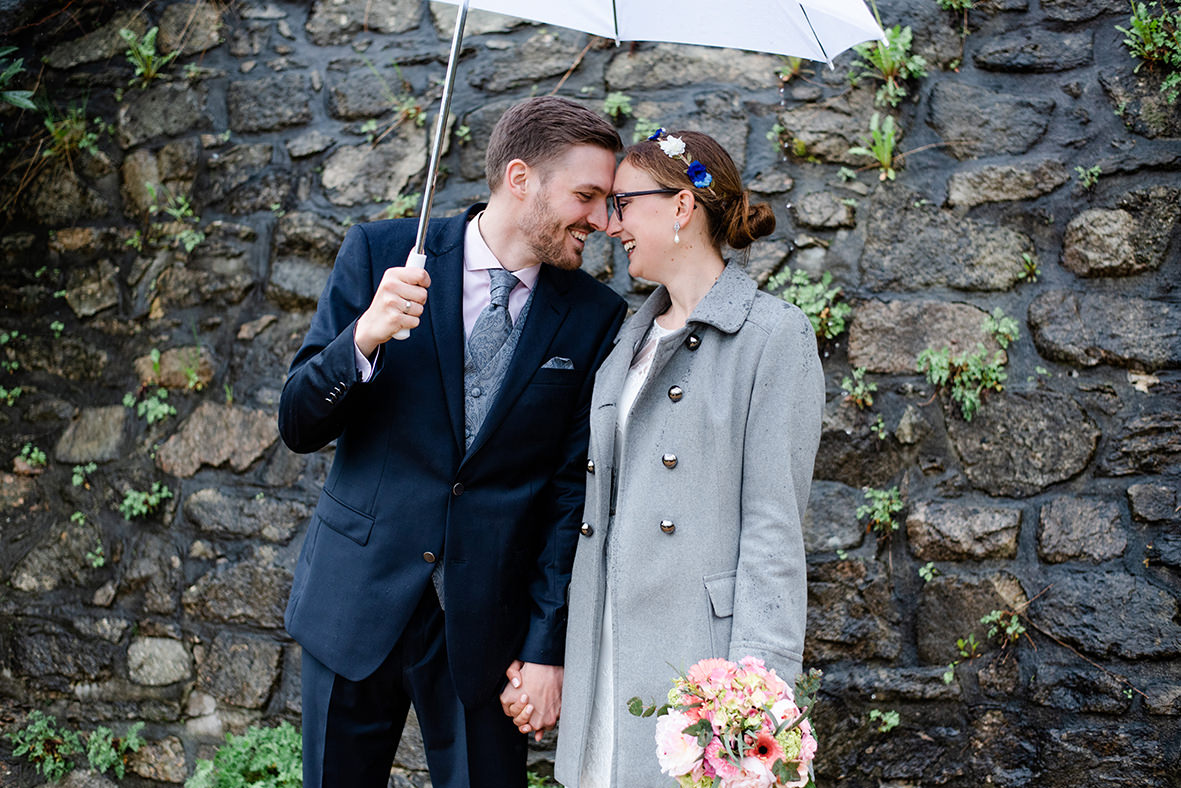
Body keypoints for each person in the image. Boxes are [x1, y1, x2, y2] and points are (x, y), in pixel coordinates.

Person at [277, 96, 627, 788]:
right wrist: (363, 338)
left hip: (486, 630)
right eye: (587, 196)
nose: (602, 221)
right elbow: (298, 424)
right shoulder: (381, 254)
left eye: (608, 202)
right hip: (356, 600)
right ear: (520, 179)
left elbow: (569, 495)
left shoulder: (593, 316)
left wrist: (544, 646)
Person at [510, 129, 824, 787]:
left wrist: (756, 696)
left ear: (681, 206)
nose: (609, 224)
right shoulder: (626, 336)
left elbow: (772, 534)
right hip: (607, 649)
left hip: (697, 661)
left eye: (623, 204)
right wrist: (550, 650)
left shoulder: (772, 336)